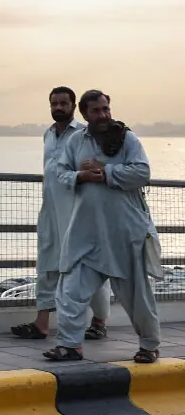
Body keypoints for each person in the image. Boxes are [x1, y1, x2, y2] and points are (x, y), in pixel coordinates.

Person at [43, 90, 161, 363]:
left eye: (106, 109)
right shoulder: (75, 141)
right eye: (96, 111)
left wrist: (105, 172)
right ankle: (70, 345)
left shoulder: (126, 138)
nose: (103, 115)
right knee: (70, 289)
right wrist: (80, 176)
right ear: (84, 114)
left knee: (137, 296)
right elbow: (60, 173)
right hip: (86, 232)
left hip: (124, 233)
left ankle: (149, 345)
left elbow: (142, 172)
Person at [11, 87, 112, 340]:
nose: (58, 107)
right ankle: (42, 322)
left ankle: (99, 321)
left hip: (78, 211)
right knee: (47, 263)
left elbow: (95, 169)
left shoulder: (83, 134)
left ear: (73, 106)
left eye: (63, 103)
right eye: (54, 103)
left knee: (88, 265)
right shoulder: (48, 134)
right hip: (50, 211)